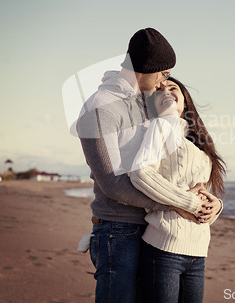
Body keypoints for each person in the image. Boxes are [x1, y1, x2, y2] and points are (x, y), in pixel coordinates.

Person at [76, 28, 222, 303]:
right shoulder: (101, 107)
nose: (164, 82)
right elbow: (112, 184)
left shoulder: (146, 104)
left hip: (150, 231)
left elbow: (175, 168)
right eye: (164, 74)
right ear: (146, 68)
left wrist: (208, 201)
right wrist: (177, 204)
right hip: (117, 231)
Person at [129, 77, 226, 303]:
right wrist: (190, 204)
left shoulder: (199, 144)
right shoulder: (160, 126)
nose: (165, 91)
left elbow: (202, 191)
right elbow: (141, 173)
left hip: (198, 251)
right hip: (164, 248)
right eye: (159, 90)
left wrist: (217, 207)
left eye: (172, 88)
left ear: (185, 100)